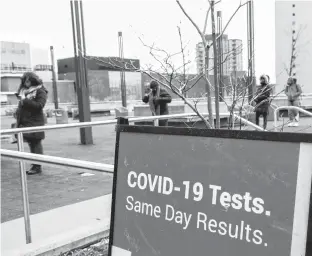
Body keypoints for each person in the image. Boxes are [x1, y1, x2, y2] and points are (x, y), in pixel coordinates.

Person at [15, 72, 48, 175]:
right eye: (25, 80)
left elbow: (39, 106)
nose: (26, 83)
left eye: (28, 80)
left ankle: (37, 166)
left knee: (36, 143)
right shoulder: (25, 92)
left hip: (35, 122)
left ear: (33, 80)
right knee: (31, 143)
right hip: (25, 121)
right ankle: (35, 165)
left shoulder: (40, 91)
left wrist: (25, 100)